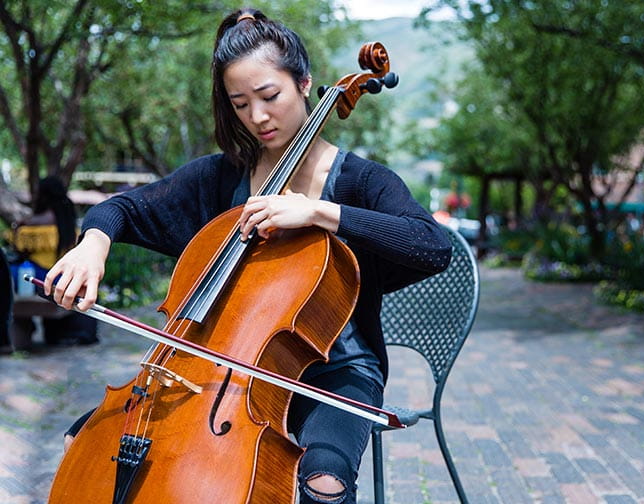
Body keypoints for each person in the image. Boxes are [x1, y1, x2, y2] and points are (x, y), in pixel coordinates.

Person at [45, 8, 451, 503]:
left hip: (334, 371)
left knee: (325, 478)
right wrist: (93, 244)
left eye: (269, 96)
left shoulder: (362, 182)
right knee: (84, 441)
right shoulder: (220, 178)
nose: (257, 117)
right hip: (215, 370)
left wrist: (320, 213)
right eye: (240, 103)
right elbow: (124, 208)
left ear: (305, 84)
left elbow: (432, 245)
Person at [9, 176, 98, 346]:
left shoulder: (45, 217)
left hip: (44, 276)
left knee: (12, 271)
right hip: (63, 275)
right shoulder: (66, 211)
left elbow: (21, 231)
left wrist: (21, 223)